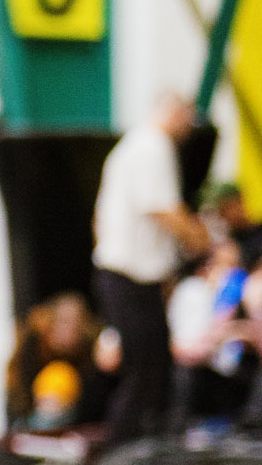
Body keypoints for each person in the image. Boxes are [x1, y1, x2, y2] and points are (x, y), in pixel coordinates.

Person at [91, 94, 211, 444]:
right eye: (188, 118)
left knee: (150, 363)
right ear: (175, 112)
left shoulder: (133, 147)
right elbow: (162, 208)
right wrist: (201, 240)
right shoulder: (151, 147)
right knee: (146, 366)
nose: (190, 128)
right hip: (129, 277)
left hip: (125, 273)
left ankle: (135, 444)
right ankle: (122, 449)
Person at [168, 240, 255, 430]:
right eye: (221, 265)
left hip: (232, 367)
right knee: (186, 372)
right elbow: (179, 340)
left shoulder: (242, 290)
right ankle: (178, 430)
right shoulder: (192, 290)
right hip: (196, 364)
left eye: (233, 267)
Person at [5, 292, 119, 434]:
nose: (70, 329)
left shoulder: (93, 349)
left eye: (78, 323)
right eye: (64, 321)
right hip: (34, 416)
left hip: (77, 419)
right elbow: (17, 388)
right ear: (51, 321)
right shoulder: (34, 345)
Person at [204, 181, 262, 273]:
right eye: (221, 211)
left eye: (226, 208)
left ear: (240, 201)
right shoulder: (231, 240)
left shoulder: (258, 231)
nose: (224, 216)